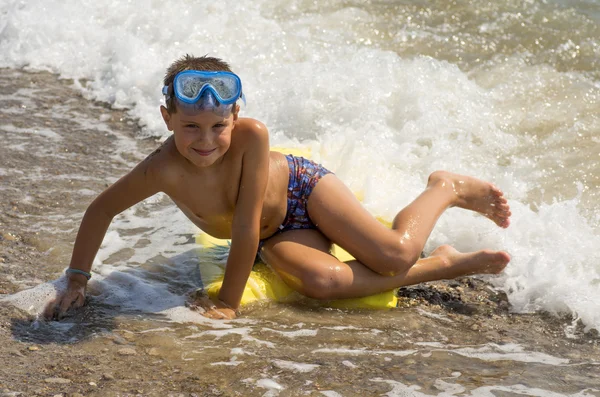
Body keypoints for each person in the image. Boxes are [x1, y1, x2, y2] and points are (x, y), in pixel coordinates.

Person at [44, 54, 511, 321]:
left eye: (218, 126)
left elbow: (244, 224)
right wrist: (77, 280)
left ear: (236, 118)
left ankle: (444, 187)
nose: (206, 141)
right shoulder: (160, 169)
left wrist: (227, 302)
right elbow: (100, 210)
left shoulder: (252, 136)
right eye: (190, 127)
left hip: (305, 191)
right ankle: (443, 264)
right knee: (320, 282)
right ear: (167, 118)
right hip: (276, 234)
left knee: (393, 254)